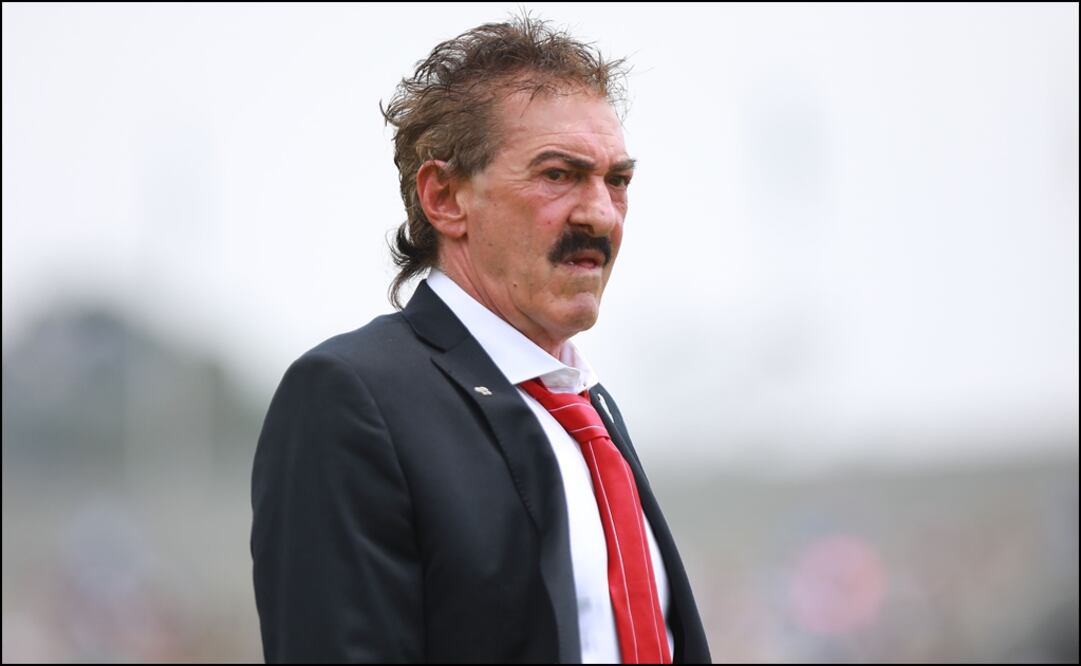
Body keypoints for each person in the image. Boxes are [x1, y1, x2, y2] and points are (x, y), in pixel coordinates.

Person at [251, 14, 711, 664]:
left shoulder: (586, 414)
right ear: (444, 198)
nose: (600, 213)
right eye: (558, 174)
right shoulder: (351, 398)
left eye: (617, 180)